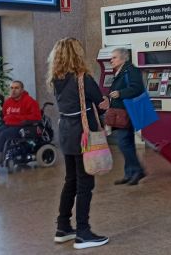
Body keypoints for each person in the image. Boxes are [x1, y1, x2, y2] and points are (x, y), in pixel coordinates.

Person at [48, 37, 109, 249]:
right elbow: (100, 104)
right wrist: (106, 103)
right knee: (85, 183)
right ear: (77, 54)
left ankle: (63, 227)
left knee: (70, 180)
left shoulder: (56, 79)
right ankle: (83, 232)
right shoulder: (83, 78)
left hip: (65, 131)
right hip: (83, 134)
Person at [102, 48, 146, 186]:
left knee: (123, 143)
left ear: (123, 58)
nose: (111, 60)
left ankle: (137, 170)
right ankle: (129, 173)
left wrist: (120, 93)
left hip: (127, 113)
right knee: (128, 143)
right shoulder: (120, 71)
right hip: (122, 112)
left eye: (114, 57)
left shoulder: (130, 70)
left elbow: (137, 88)